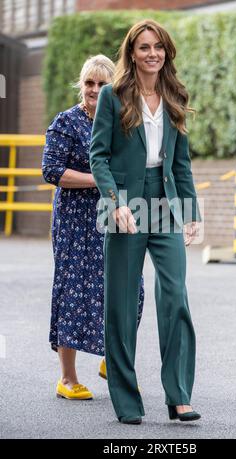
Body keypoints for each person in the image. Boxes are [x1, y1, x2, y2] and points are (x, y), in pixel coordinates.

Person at [90, 20, 201, 423]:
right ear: (132, 53)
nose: (151, 53)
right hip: (124, 203)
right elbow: (98, 155)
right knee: (120, 304)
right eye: (143, 47)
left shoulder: (175, 94)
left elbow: (182, 162)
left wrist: (190, 213)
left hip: (166, 201)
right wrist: (114, 201)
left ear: (166, 52)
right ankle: (126, 400)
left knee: (175, 297)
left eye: (158, 47)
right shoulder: (112, 95)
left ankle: (179, 394)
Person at [42, 55, 144, 400]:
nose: (95, 90)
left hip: (114, 216)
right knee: (73, 293)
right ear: (81, 85)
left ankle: (111, 358)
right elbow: (52, 171)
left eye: (103, 84)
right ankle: (67, 379)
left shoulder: (123, 121)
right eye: (89, 83)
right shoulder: (66, 122)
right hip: (75, 222)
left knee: (132, 289)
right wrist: (98, 180)